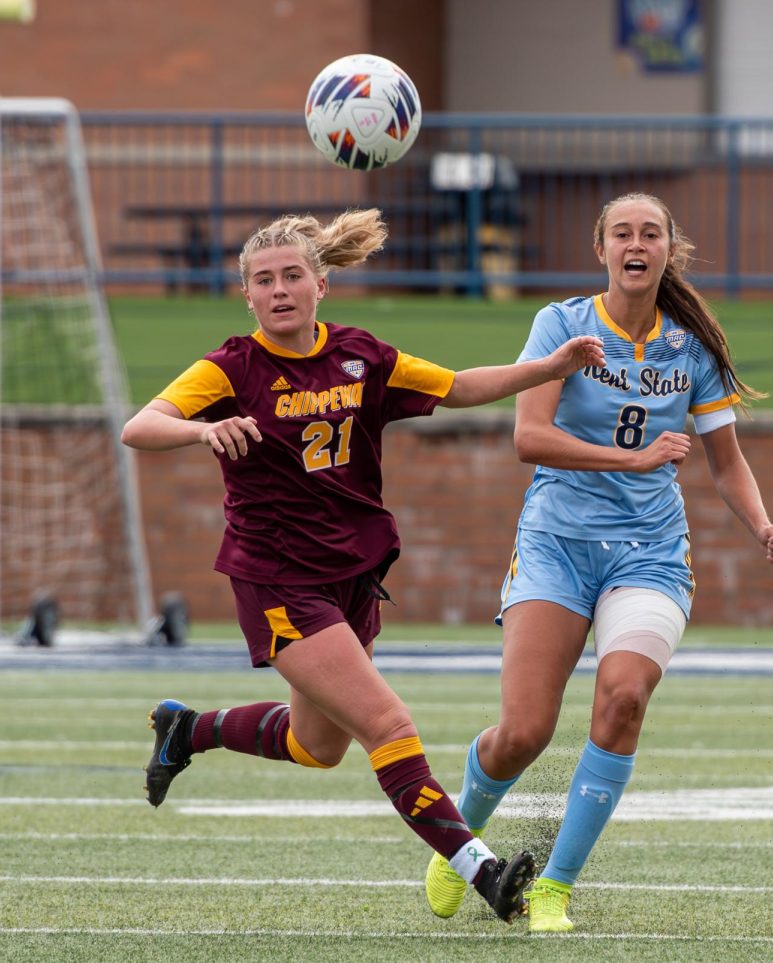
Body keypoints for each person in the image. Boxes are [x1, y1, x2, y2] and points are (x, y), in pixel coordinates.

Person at [120, 208, 606, 924]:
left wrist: (552, 366)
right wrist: (203, 428)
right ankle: (484, 872)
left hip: (354, 571)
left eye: (292, 275)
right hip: (280, 577)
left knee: (317, 745)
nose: (279, 289)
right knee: (388, 722)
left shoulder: (362, 355)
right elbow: (139, 426)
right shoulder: (231, 367)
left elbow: (458, 386)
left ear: (321, 284)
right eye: (264, 280)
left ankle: (189, 730)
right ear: (247, 296)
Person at [423, 192, 773, 932]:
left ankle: (555, 886)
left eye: (649, 233)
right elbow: (529, 439)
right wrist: (633, 458)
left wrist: (762, 523)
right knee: (523, 732)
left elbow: (726, 461)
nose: (636, 243)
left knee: (623, 698)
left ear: (667, 250)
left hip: (651, 553)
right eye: (622, 232)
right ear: (601, 248)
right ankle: (458, 841)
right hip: (556, 544)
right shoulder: (560, 325)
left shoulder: (689, 345)